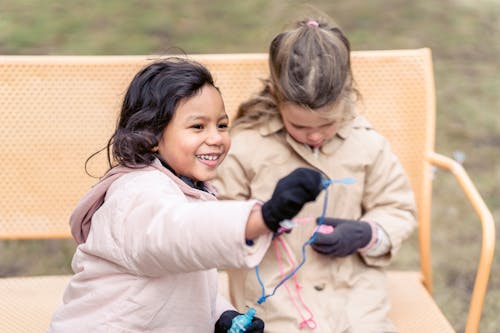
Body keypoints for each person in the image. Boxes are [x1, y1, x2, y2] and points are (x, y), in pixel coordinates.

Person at [47, 57, 324, 333]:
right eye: (197, 127)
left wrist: (221, 316)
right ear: (150, 137)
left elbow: (185, 281)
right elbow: (181, 233)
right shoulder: (137, 193)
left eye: (222, 125)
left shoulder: (186, 189)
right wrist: (263, 218)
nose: (216, 138)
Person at [213, 18, 417, 332]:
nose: (315, 137)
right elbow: (215, 227)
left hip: (355, 300)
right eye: (300, 127)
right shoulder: (245, 147)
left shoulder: (368, 144)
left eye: (327, 125)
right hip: (272, 301)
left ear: (346, 96)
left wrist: (368, 234)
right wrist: (262, 220)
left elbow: (397, 207)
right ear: (276, 96)